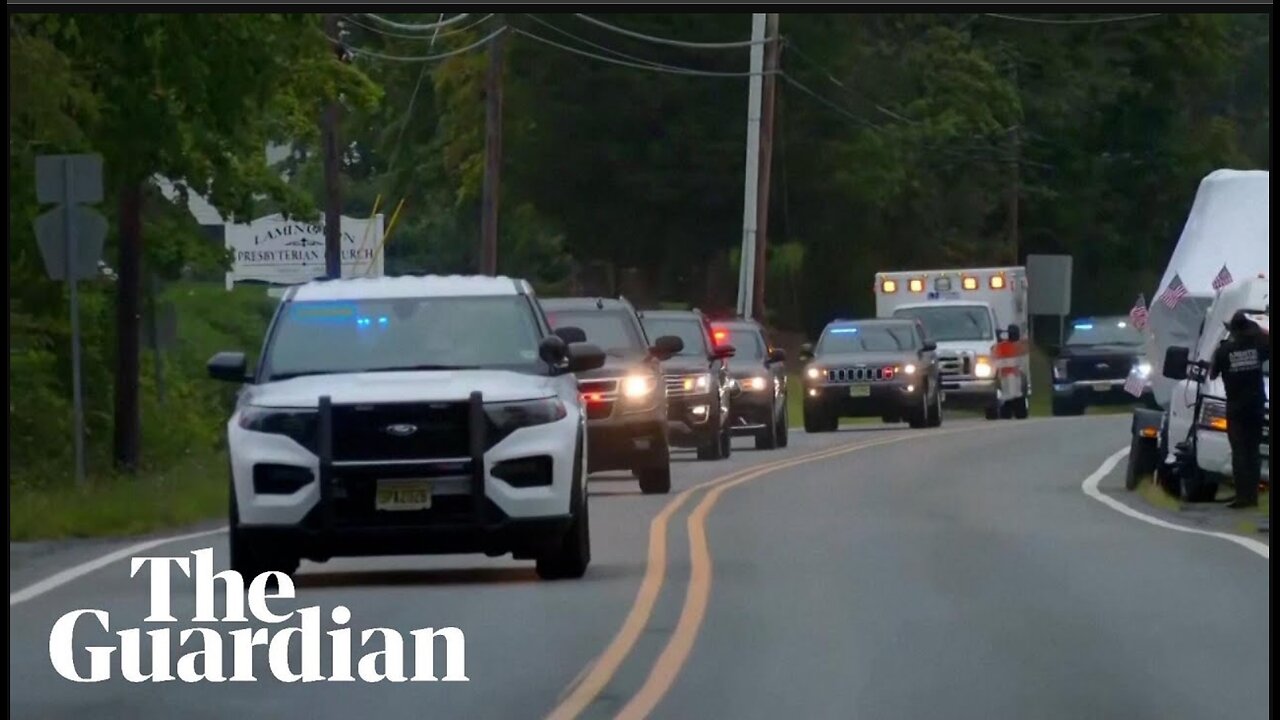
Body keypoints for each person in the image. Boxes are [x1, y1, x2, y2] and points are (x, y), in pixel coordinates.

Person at [1208, 310, 1270, 509]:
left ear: (1233, 331)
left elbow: (1212, 374)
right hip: (1256, 405)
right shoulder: (1259, 345)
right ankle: (1251, 497)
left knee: (1239, 452)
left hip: (1236, 407)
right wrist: (1256, 331)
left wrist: (1219, 352)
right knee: (1253, 452)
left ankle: (1243, 496)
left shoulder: (1225, 351)